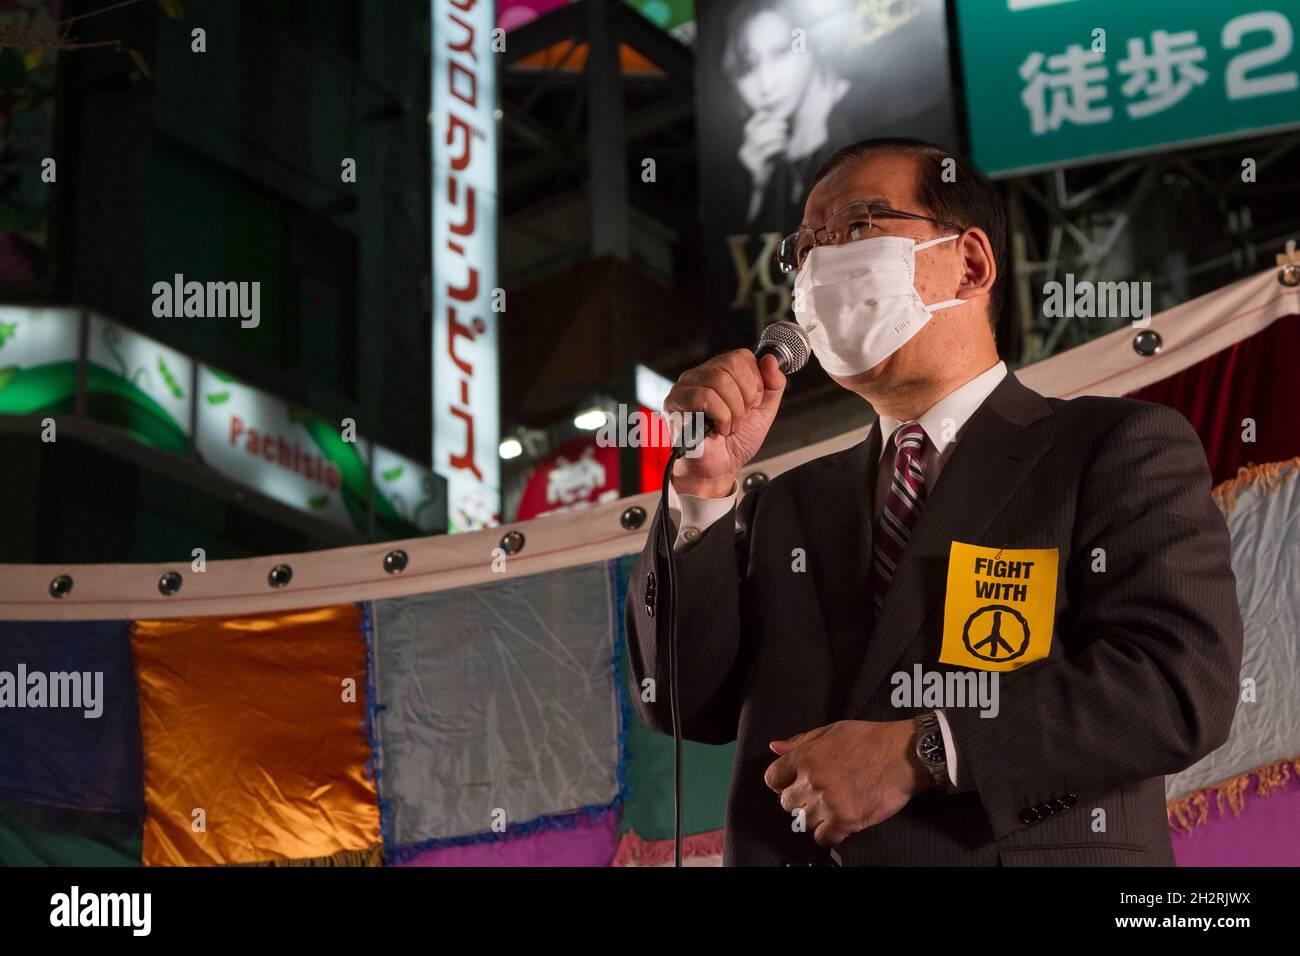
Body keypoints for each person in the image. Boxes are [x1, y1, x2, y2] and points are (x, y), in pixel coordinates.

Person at [624, 137, 1244, 866]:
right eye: (805, 247)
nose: (821, 263)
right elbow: (678, 700)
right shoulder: (778, 505)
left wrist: (927, 751)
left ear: (971, 262)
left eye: (858, 227)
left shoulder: (1113, 449)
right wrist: (700, 489)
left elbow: (1178, 685)